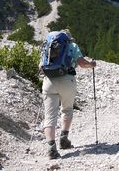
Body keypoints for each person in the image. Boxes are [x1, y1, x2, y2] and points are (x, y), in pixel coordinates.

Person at [40, 30, 96, 159]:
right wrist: (91, 65)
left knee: (50, 115)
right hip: (67, 80)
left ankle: (51, 148)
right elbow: (82, 64)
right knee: (67, 109)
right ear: (69, 38)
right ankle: (64, 139)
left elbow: (41, 66)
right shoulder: (72, 46)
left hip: (48, 82)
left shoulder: (47, 46)